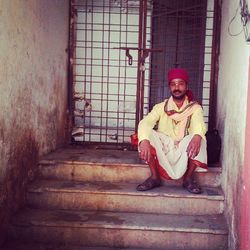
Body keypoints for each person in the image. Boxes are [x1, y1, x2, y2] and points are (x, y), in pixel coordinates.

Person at [136, 68, 207, 194]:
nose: (177, 87)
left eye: (180, 83)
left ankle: (188, 178)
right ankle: (155, 177)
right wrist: (144, 140)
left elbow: (199, 125)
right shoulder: (161, 107)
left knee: (199, 138)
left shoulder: (195, 108)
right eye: (173, 84)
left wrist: (197, 136)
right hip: (165, 146)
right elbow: (146, 122)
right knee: (146, 135)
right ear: (169, 87)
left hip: (184, 147)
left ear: (186, 86)